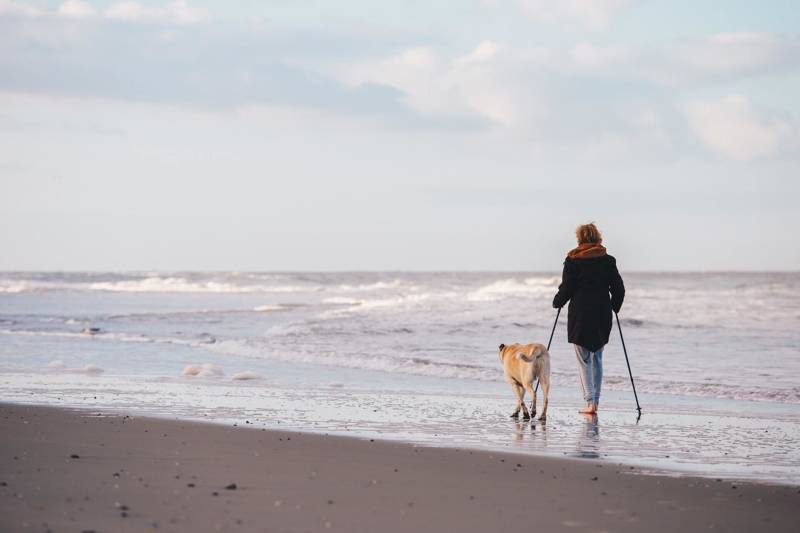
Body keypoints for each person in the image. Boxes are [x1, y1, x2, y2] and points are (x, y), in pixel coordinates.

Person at [552, 223, 624, 415]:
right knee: (597, 357)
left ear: (579, 238)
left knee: (584, 359)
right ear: (598, 237)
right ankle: (595, 403)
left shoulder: (572, 260)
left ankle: (590, 402)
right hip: (602, 311)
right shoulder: (608, 260)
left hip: (580, 313)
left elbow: (567, 288)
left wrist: (558, 302)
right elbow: (619, 289)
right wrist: (615, 306)